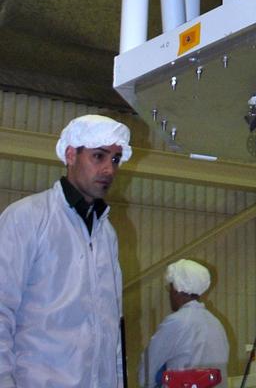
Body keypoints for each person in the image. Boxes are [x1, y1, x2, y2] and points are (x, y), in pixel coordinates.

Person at [0, 112, 131, 388]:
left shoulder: (106, 233)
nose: (109, 170)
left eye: (115, 159)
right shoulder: (28, 218)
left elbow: (111, 325)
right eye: (99, 156)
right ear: (71, 155)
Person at [139, 259, 230, 387]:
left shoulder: (176, 322)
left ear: (177, 290)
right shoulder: (215, 323)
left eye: (170, 288)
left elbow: (148, 366)